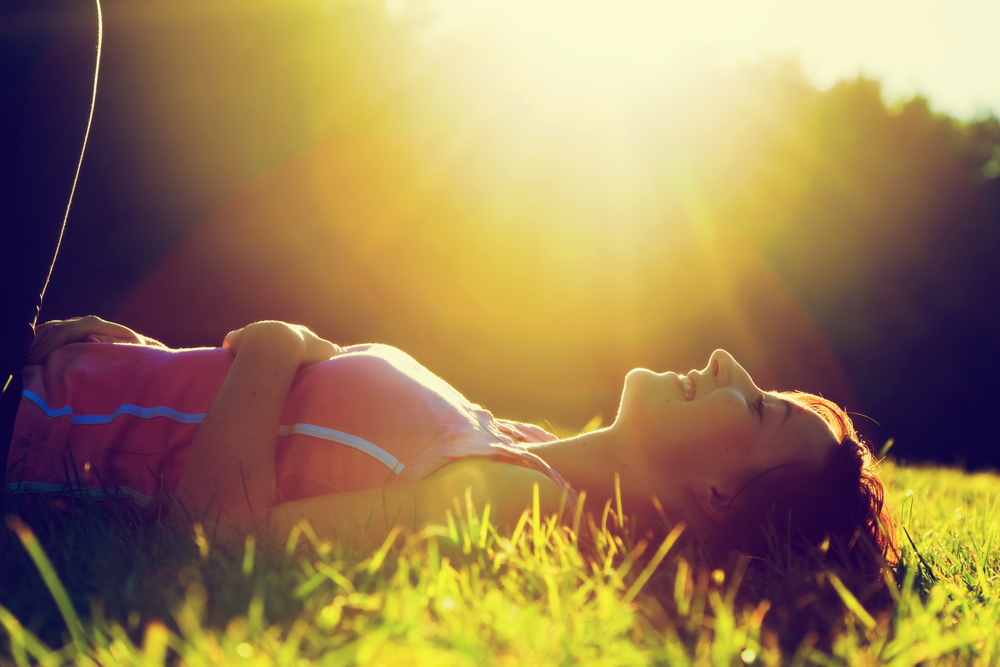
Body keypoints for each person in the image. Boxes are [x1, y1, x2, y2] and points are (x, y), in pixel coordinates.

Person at [6, 315, 898, 575]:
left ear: (714, 497)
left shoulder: (519, 500)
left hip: (25, 434)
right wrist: (141, 356)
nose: (727, 361)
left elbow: (216, 532)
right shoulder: (520, 442)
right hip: (50, 374)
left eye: (757, 408)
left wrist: (274, 347)